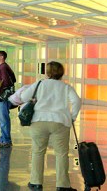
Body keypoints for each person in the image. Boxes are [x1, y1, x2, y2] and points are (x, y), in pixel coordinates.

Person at [19, 61, 81, 191]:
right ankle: (62, 185)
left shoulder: (39, 84)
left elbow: (24, 96)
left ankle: (36, 182)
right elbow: (76, 101)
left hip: (39, 121)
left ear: (47, 72)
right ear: (61, 73)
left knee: (38, 151)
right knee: (62, 154)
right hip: (60, 122)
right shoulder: (65, 87)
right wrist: (72, 117)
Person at [0, 50, 17, 148]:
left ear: (2, 57)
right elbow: (13, 79)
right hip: (3, 97)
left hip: (2, 97)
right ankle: (3, 138)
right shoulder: (5, 66)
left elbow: (6, 82)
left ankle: (6, 140)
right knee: (2, 119)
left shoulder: (3, 67)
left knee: (3, 119)